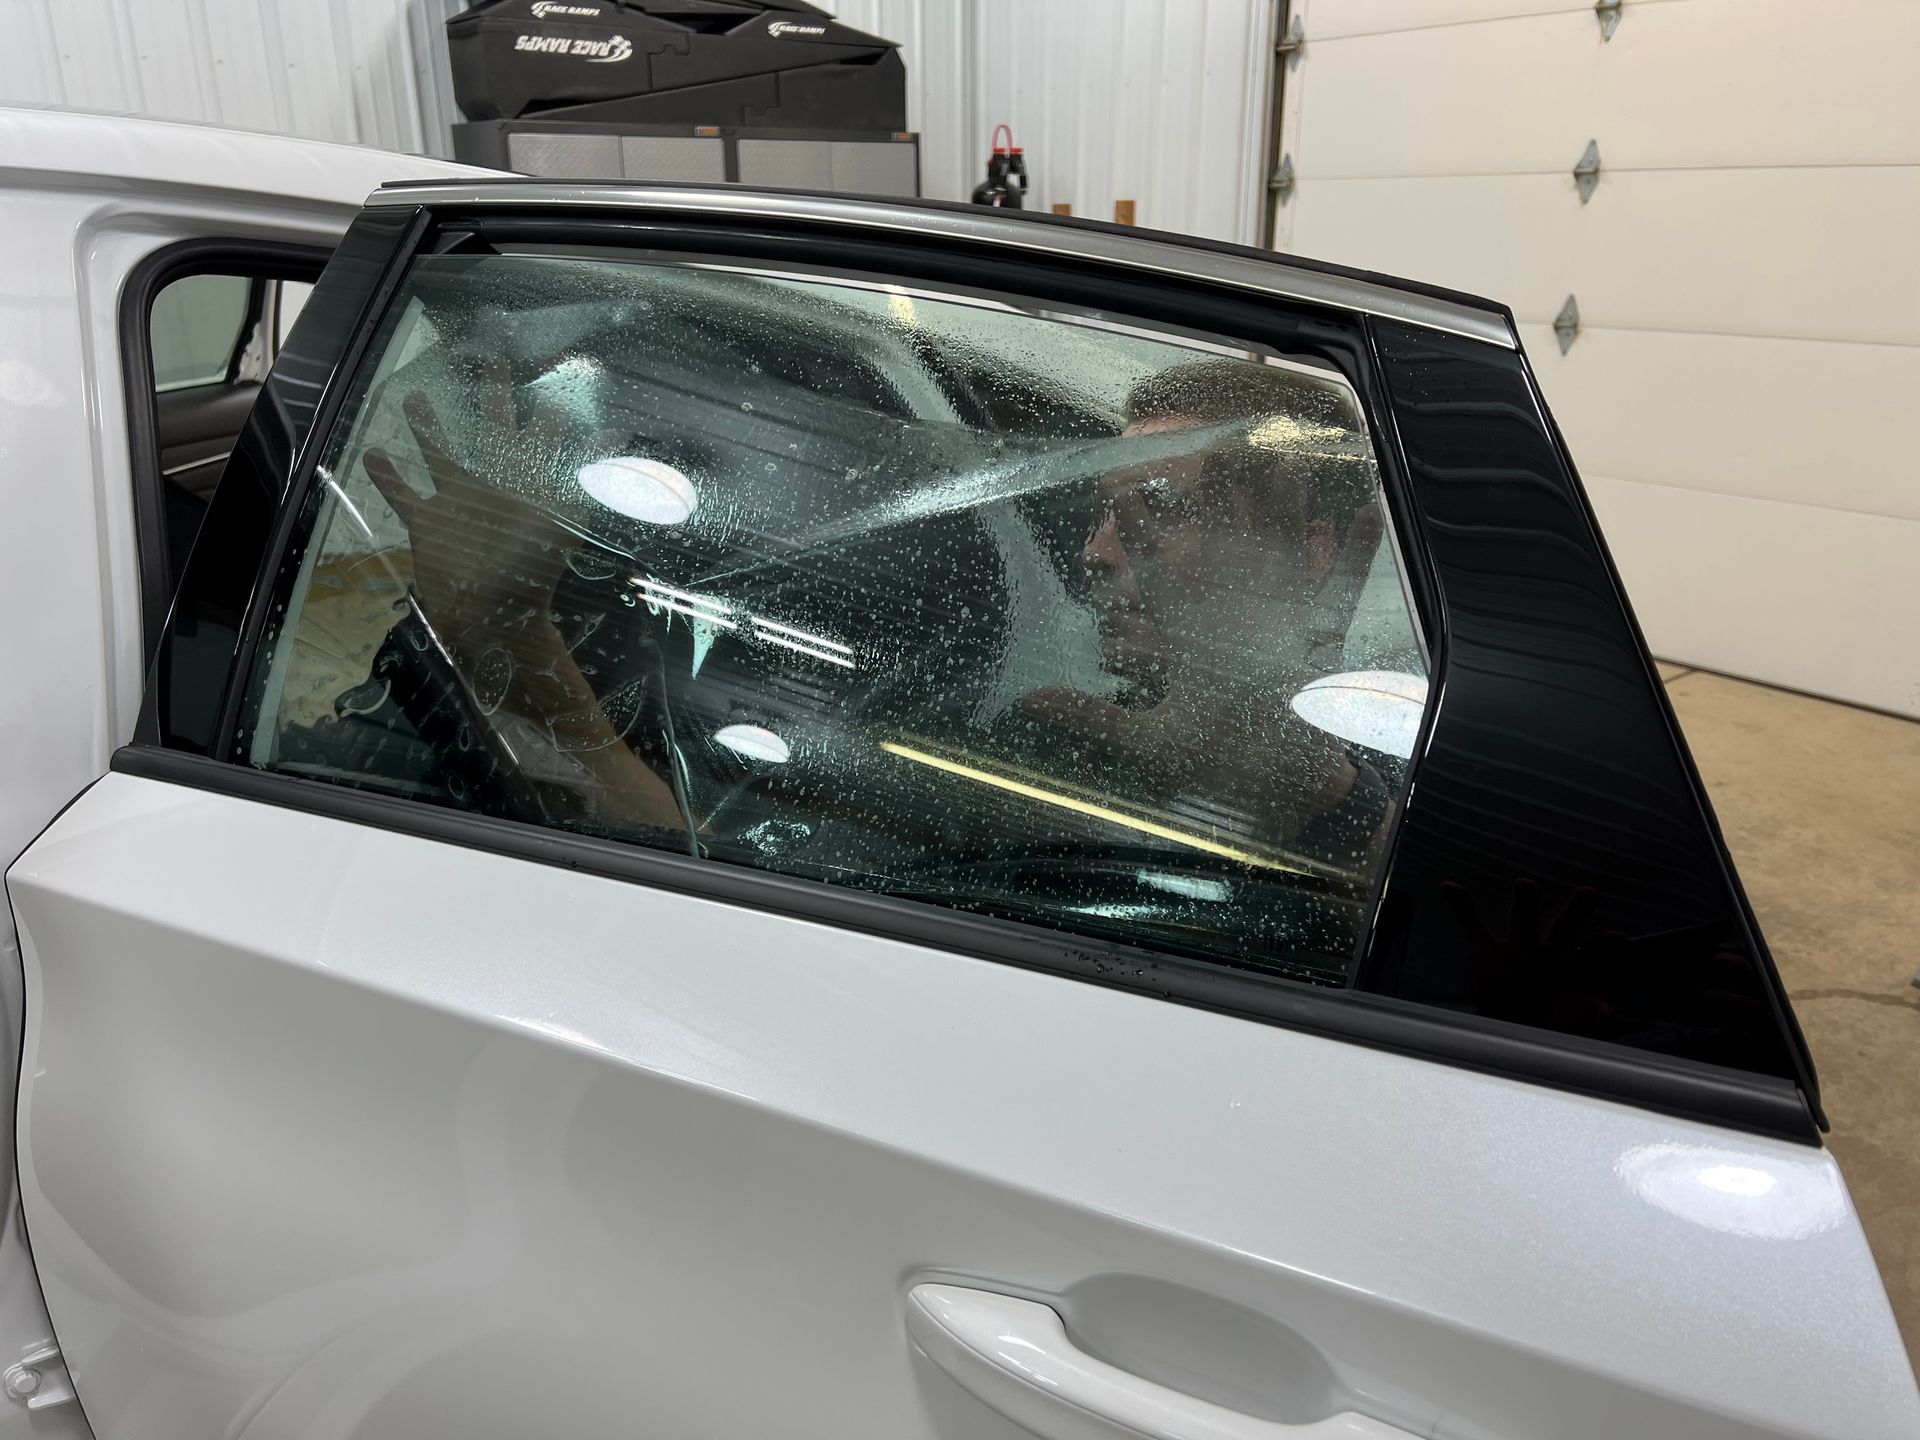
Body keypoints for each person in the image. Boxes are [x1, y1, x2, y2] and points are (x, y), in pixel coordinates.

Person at [1018, 358, 1391, 863]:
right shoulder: (1042, 741)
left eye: (1162, 508)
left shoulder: (1416, 786)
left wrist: (1319, 788)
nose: (1097, 551)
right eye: (1106, 511)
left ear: (1310, 555)